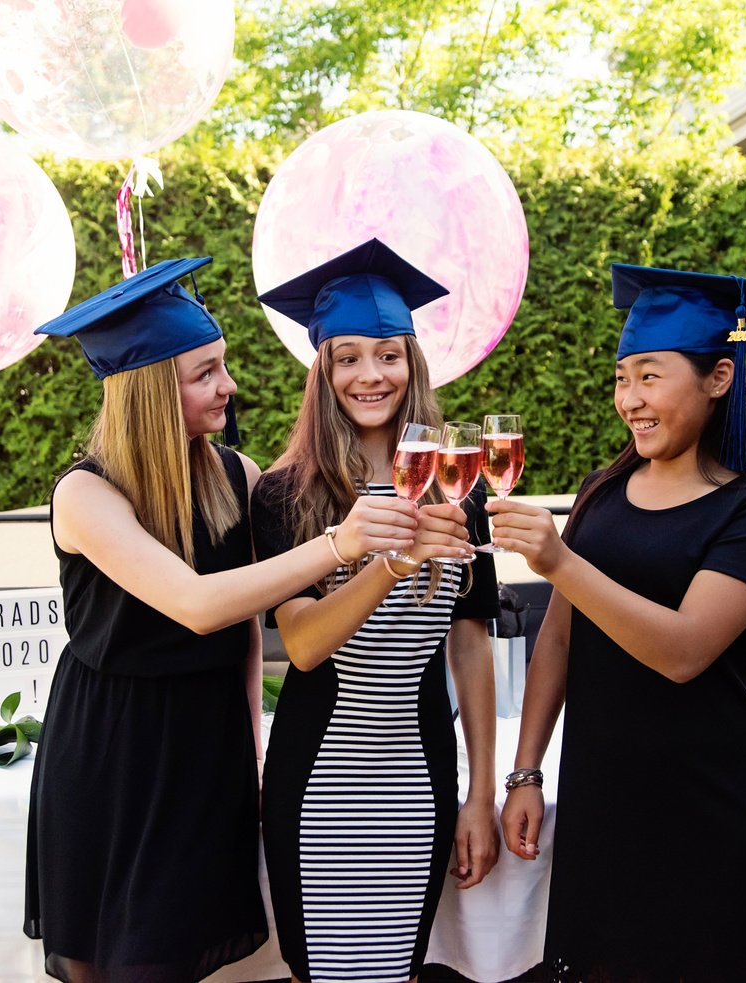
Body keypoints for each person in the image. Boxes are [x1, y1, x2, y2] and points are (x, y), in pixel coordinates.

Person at [23, 256, 431, 983]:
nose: (229, 385)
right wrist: (342, 543)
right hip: (114, 752)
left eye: (224, 366)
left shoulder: (234, 477)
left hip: (206, 744)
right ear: (152, 391)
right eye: (205, 372)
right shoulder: (86, 496)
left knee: (175, 959)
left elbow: (245, 629)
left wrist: (251, 748)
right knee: (116, 962)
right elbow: (198, 603)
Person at [490, 264, 746, 982]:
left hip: (703, 807)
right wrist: (526, 771)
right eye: (623, 377)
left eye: (651, 377)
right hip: (604, 798)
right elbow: (560, 639)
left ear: (719, 376)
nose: (630, 399)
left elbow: (685, 649)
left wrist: (561, 561)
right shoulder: (606, 490)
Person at [251, 238, 502, 983]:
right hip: (320, 777)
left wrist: (480, 793)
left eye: (388, 354)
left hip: (416, 775)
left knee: (396, 969)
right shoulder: (285, 493)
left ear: (412, 363)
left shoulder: (460, 484)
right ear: (323, 371)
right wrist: (392, 561)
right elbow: (301, 644)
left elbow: (470, 646)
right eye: (349, 356)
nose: (371, 374)